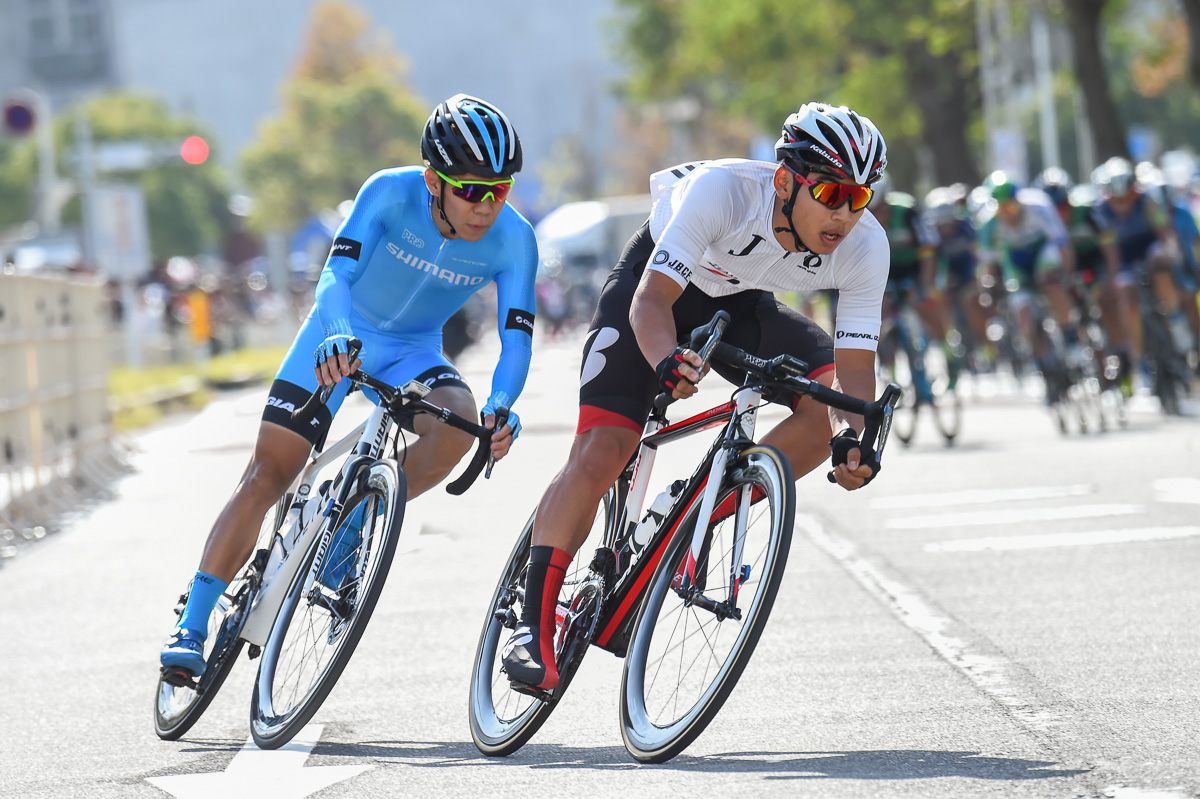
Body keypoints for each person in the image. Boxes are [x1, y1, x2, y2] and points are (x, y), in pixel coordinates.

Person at [501, 102, 890, 692]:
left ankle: (692, 512)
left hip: (739, 302)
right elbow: (650, 305)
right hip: (654, 289)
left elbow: (857, 369)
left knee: (822, 406)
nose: (846, 214)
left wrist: (852, 439)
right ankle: (532, 626)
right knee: (606, 446)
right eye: (832, 193)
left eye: (859, 198)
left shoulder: (866, 245)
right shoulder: (723, 193)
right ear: (785, 182)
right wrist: (666, 364)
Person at [160, 94, 538, 677]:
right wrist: (336, 332)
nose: (486, 206)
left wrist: (501, 405)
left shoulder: (515, 240)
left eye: (499, 190)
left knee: (457, 425)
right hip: (339, 334)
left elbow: (516, 341)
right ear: (434, 181)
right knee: (269, 474)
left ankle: (354, 523)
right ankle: (194, 619)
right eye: (470, 189)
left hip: (412, 351)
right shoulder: (389, 192)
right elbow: (336, 272)